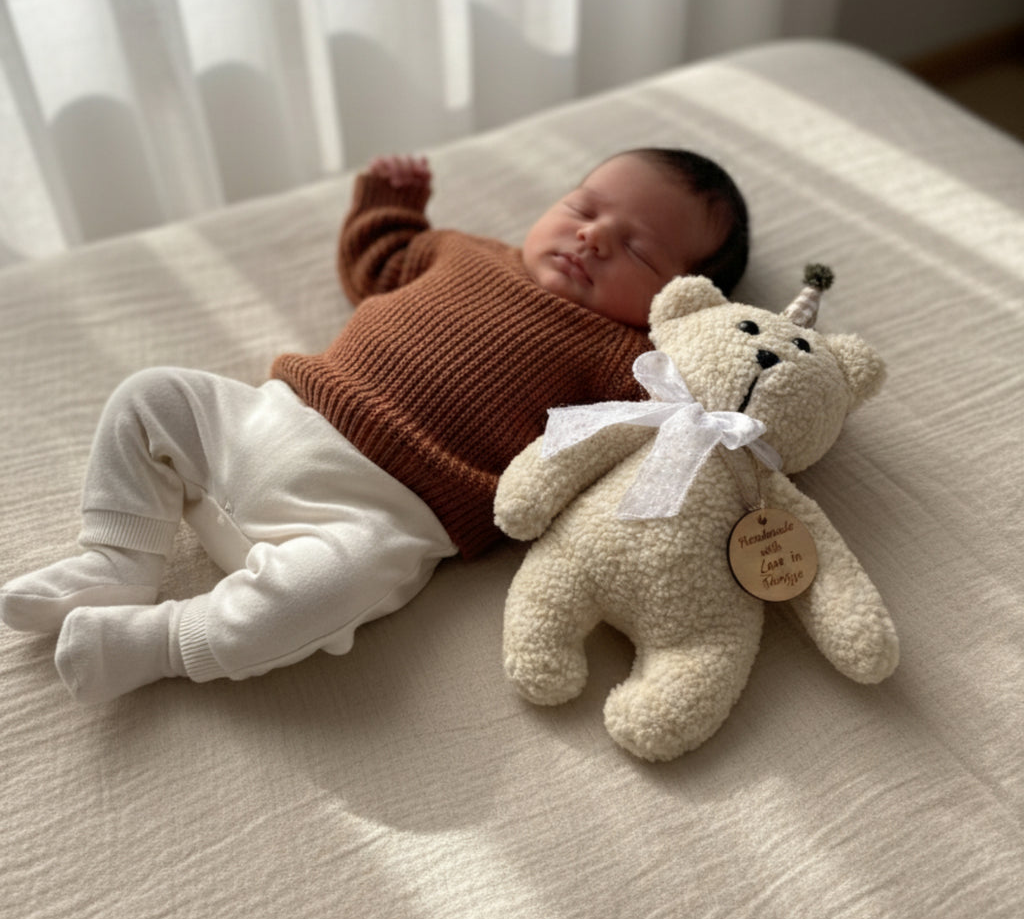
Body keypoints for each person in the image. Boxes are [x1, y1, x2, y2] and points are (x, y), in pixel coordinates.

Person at [0, 147, 749, 702]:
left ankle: (163, 641)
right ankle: (118, 561)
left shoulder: (626, 358)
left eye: (639, 249)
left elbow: (664, 430)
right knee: (152, 395)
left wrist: (730, 359)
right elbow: (377, 262)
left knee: (320, 596)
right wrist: (389, 202)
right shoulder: (462, 252)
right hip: (269, 419)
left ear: (680, 297)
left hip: (378, 514)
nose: (594, 238)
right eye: (583, 209)